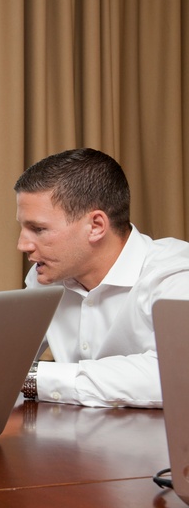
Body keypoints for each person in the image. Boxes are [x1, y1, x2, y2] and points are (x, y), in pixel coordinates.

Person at [15, 148, 189, 408]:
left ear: (96, 226)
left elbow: (175, 375)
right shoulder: (45, 276)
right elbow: (6, 360)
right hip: (73, 439)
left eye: (38, 229)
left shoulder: (175, 274)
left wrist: (35, 378)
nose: (23, 245)